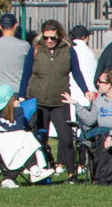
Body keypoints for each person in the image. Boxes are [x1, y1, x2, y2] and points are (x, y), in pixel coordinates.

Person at [29, 21, 78, 176]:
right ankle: (43, 170)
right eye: (46, 38)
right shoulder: (36, 49)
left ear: (59, 36)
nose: (49, 41)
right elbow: (26, 73)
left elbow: (76, 72)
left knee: (66, 138)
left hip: (60, 101)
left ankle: (71, 173)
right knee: (40, 138)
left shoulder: (68, 50)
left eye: (53, 38)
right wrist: (22, 95)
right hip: (39, 101)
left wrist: (86, 90)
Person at [0, 84, 55, 184]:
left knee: (26, 136)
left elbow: (20, 128)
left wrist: (16, 110)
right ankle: (34, 170)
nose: (17, 100)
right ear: (9, 100)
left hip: (14, 142)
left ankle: (25, 173)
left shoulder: (16, 113)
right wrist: (17, 110)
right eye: (14, 98)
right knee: (24, 135)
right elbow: (10, 128)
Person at [0, 14, 33, 96]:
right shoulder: (24, 45)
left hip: (1, 90)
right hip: (19, 89)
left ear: (0, 26)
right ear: (15, 25)